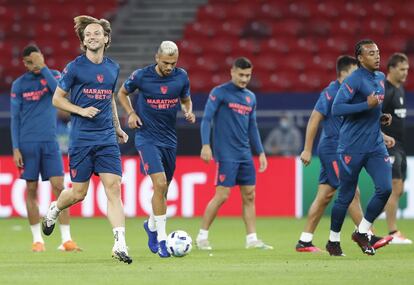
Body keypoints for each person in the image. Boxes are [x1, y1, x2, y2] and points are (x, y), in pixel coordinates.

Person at [41, 15, 132, 264]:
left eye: (96, 33)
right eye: (87, 34)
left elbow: (110, 98)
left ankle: (120, 244)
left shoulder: (113, 67)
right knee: (78, 193)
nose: (92, 37)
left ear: (106, 38)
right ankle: (55, 209)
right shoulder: (75, 67)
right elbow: (57, 99)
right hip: (81, 139)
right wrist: (80, 110)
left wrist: (117, 128)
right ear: (83, 41)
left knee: (113, 189)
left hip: (106, 139)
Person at [296, 55, 392, 253]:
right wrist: (307, 148)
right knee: (352, 193)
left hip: (348, 144)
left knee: (325, 195)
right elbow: (315, 117)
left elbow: (361, 121)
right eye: (353, 71)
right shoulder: (331, 92)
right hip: (333, 147)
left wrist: (381, 133)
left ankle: (305, 241)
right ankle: (368, 235)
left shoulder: (357, 91)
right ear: (342, 73)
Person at [117, 41, 196, 258]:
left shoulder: (181, 77)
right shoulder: (141, 76)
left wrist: (188, 111)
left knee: (164, 190)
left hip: (169, 139)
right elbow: (122, 93)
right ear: (156, 58)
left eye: (173, 63)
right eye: (166, 62)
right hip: (147, 137)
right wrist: (131, 113)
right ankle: (161, 240)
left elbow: (186, 100)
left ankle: (150, 226)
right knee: (159, 183)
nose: (170, 67)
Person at [196, 57, 273, 250]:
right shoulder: (219, 93)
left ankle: (252, 239)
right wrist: (206, 145)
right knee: (222, 195)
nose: (244, 79)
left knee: (249, 195)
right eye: (241, 75)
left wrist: (261, 152)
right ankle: (202, 237)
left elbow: (252, 127)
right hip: (226, 154)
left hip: (245, 154)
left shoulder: (250, 97)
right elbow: (206, 119)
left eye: (248, 75)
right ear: (232, 72)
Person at [326, 39, 395, 256]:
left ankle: (362, 231)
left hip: (375, 145)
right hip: (351, 147)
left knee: (385, 188)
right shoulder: (354, 80)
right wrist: (367, 105)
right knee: (345, 197)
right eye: (371, 53)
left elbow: (374, 108)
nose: (377, 56)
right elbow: (337, 108)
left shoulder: (381, 78)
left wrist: (380, 116)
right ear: (360, 58)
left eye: (378, 52)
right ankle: (333, 241)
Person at [10, 45, 80, 252]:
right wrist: (15, 148)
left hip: (50, 142)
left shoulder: (54, 75)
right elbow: (15, 119)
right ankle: (37, 240)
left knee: (59, 187)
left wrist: (44, 68)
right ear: (25, 62)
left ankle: (66, 239)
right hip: (27, 143)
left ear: (41, 57)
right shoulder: (19, 85)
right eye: (30, 62)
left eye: (37, 60)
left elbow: (58, 94)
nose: (34, 65)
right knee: (32, 189)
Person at [382, 53, 412, 244]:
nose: (405, 73)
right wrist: (381, 137)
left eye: (407, 69)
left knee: (398, 189)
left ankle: (367, 226)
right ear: (391, 68)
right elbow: (372, 115)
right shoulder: (385, 90)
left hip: (400, 146)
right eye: (401, 69)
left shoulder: (400, 90)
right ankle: (392, 232)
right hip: (388, 144)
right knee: (395, 187)